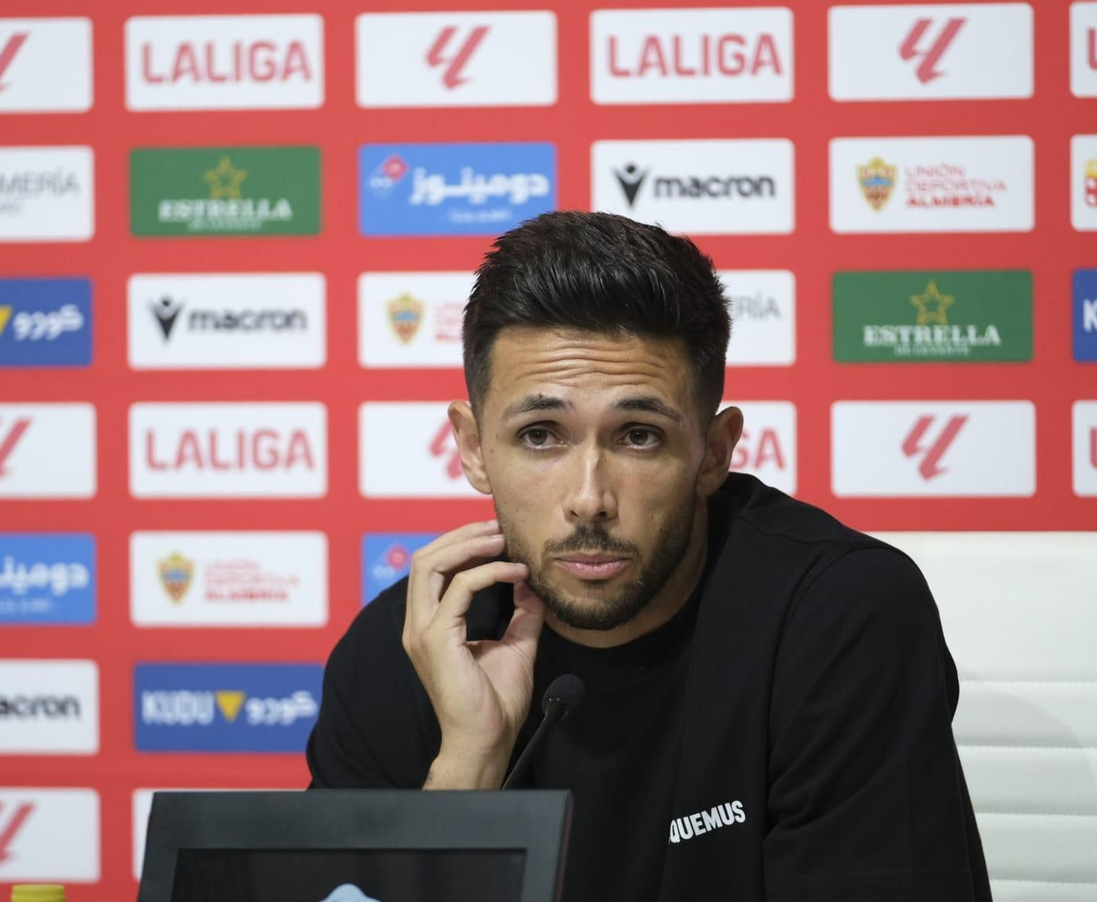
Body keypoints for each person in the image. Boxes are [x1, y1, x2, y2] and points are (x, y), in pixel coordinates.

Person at [306, 211, 992, 902]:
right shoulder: (406, 649)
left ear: (714, 451)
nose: (589, 498)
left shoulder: (838, 617)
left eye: (638, 436)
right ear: (474, 447)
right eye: (541, 435)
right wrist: (466, 767)